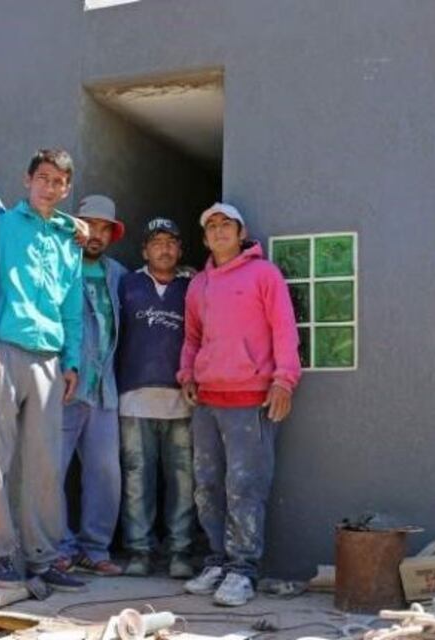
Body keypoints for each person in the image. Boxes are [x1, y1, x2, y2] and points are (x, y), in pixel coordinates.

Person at [0, 149, 87, 593]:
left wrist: (72, 360)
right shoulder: (0, 225)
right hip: (3, 349)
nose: (50, 187)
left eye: (59, 182)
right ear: (27, 180)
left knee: (44, 463)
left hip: (49, 358)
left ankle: (44, 556)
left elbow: (72, 308)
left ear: (67, 188)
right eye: (43, 178)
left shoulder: (68, 240)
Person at [178, 203, 301, 607]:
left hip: (252, 401)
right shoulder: (199, 285)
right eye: (210, 226)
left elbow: (284, 327)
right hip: (208, 402)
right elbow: (192, 337)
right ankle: (217, 562)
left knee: (245, 487)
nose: (218, 231)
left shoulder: (264, 274)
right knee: (207, 488)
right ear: (205, 237)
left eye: (225, 224)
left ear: (240, 231)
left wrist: (285, 379)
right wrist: (187, 375)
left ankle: (243, 570)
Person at [117, 218, 196, 579]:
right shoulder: (126, 285)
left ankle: (180, 552)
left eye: (171, 242)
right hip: (133, 399)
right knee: (137, 480)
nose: (164, 248)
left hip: (183, 400)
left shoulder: (193, 287)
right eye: (156, 242)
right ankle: (139, 552)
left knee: (183, 480)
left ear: (180, 250)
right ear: (144, 250)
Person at [57, 195, 127, 576]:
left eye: (104, 228)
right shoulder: (59, 262)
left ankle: (94, 548)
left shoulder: (118, 273)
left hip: (105, 389)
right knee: (53, 469)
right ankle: (59, 547)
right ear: (75, 225)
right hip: (65, 385)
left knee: (105, 473)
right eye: (89, 224)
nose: (95, 234)